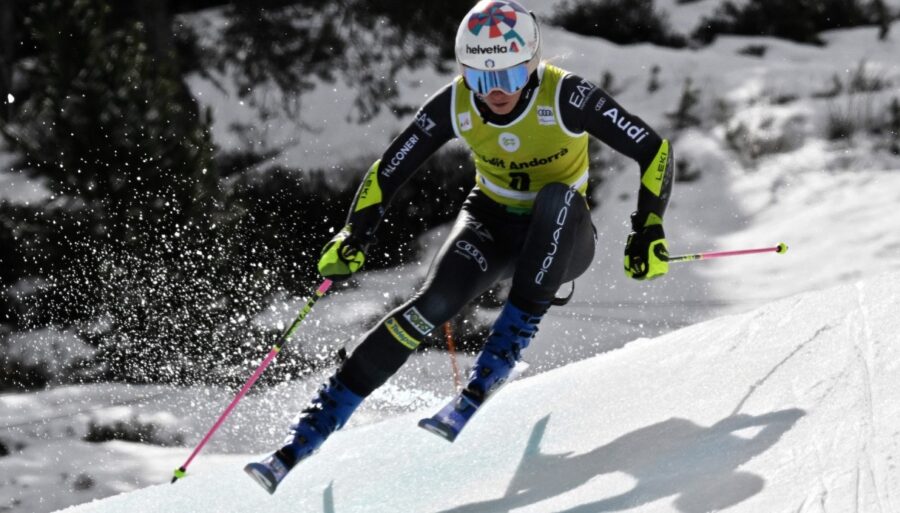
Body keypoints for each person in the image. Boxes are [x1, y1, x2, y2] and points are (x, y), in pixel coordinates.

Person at [245, 0, 673, 493]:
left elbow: (653, 149)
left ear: (532, 65)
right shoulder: (455, 103)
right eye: (481, 78)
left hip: (561, 236)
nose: (496, 94)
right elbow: (390, 169)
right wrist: (353, 233)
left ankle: (497, 362)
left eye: (510, 79)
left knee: (554, 198)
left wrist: (648, 229)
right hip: (490, 221)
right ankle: (313, 428)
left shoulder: (569, 96)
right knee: (434, 304)